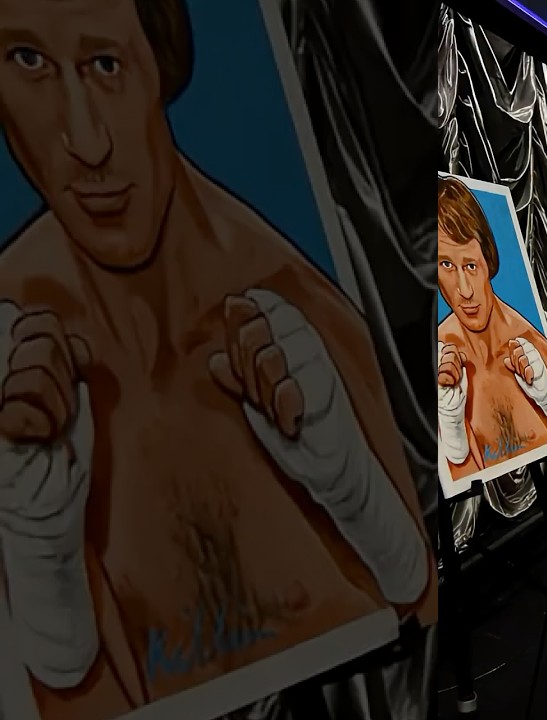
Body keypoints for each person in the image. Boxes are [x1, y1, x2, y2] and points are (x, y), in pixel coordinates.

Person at [0, 0, 435, 715]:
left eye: (104, 64)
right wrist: (41, 554)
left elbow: (408, 604)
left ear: (158, 66)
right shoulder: (15, 354)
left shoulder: (289, 305)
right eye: (28, 62)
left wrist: (355, 490)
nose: (83, 140)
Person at [436, 176, 547, 483]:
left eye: (470, 265)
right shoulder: (439, 357)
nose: (464, 290)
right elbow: (459, 473)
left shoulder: (528, 342)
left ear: (488, 260)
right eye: (446, 265)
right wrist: (451, 422)